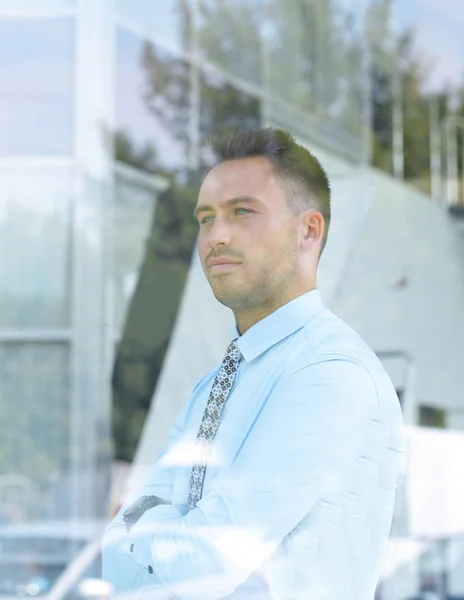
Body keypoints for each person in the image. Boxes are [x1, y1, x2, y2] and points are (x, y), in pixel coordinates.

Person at [102, 128, 405, 600]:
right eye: (206, 218)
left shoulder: (331, 372)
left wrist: (150, 522)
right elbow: (116, 562)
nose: (215, 236)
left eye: (242, 212)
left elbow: (208, 562)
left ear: (308, 230)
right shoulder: (215, 382)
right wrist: (161, 532)